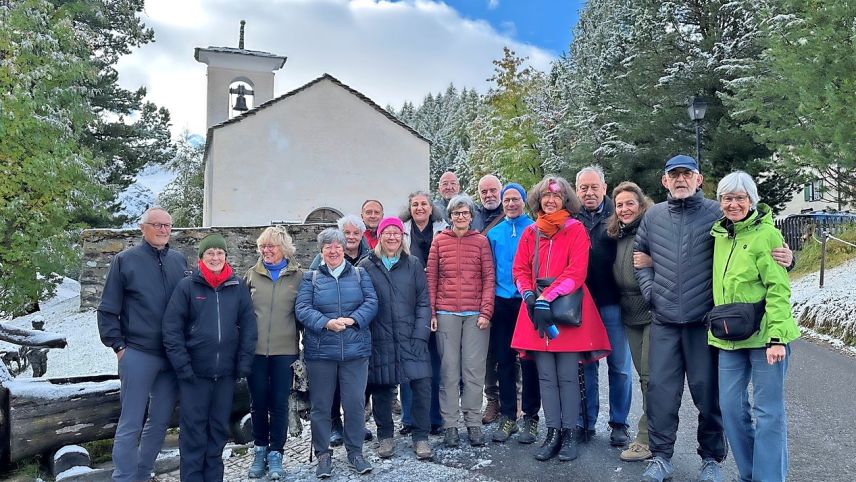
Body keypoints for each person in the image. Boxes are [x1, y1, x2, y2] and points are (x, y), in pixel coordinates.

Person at [635, 155, 793, 482]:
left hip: (705, 323)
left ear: (698, 179)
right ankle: (662, 457)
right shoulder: (653, 216)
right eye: (673, 175)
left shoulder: (715, 214)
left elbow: (758, 236)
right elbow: (641, 259)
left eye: (686, 174)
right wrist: (652, 293)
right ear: (665, 181)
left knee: (710, 395)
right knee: (660, 392)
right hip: (664, 321)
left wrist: (788, 259)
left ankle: (711, 458)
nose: (680, 180)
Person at [510, 175, 611, 462]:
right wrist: (529, 295)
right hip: (536, 310)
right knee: (545, 376)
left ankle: (569, 433)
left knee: (567, 376)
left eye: (556, 196)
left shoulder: (576, 229)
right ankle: (552, 431)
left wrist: (546, 297)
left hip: (566, 309)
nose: (550, 200)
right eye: (545, 196)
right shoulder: (531, 232)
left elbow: (576, 272)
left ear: (565, 200)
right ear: (539, 200)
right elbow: (520, 269)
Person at [710, 171, 800, 482]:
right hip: (728, 338)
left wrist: (776, 337)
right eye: (727, 198)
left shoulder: (766, 235)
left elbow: (778, 289)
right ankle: (751, 474)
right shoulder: (719, 235)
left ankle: (769, 478)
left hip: (766, 338)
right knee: (731, 408)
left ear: (751, 200)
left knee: (768, 412)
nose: (733, 204)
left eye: (739, 198)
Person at [97, 206, 188, 482]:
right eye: (157, 225)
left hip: (170, 355)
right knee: (130, 423)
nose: (163, 230)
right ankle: (123, 478)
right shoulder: (125, 261)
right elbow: (107, 309)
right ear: (143, 228)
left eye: (167, 225)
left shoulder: (179, 261)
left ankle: (143, 473)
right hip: (137, 353)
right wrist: (118, 347)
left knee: (159, 422)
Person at [162, 234, 257, 482]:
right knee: (193, 434)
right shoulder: (188, 287)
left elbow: (248, 326)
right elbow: (172, 329)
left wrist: (243, 362)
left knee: (217, 432)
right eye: (210, 253)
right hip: (194, 375)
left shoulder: (236, 286)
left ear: (226, 257)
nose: (215, 257)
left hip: (225, 374)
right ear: (201, 257)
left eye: (220, 253)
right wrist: (182, 366)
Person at [296, 228, 378, 478]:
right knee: (321, 406)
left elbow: (371, 302)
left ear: (344, 249)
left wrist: (353, 320)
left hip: (355, 351)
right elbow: (302, 308)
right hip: (321, 353)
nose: (333, 250)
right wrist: (326, 323)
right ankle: (323, 454)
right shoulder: (310, 278)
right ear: (321, 251)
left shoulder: (360, 274)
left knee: (354, 404)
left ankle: (355, 452)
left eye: (337, 246)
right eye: (328, 247)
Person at [358, 217, 434, 460]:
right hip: (380, 337)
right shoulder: (366, 266)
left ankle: (421, 437)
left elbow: (424, 301)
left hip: (412, 336)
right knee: (382, 389)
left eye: (396, 233)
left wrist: (422, 333)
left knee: (421, 386)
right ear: (379, 236)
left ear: (403, 237)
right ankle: (386, 436)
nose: (392, 237)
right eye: (387, 233)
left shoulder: (413, 264)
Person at [426, 194, 495, 447]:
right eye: (456, 213)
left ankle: (473, 422)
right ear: (450, 216)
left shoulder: (481, 242)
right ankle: (450, 425)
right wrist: (432, 313)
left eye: (465, 212)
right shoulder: (439, 241)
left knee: (474, 371)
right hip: (446, 313)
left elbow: (489, 278)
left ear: (471, 215)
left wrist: (486, 311)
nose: (461, 217)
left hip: (475, 314)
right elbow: (431, 279)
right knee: (449, 372)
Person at [573, 166, 634, 446]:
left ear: (604, 187)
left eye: (593, 187)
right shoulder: (571, 217)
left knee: (619, 366)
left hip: (613, 302)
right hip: (582, 304)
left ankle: (619, 423)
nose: (588, 192)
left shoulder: (619, 213)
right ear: (576, 190)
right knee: (586, 365)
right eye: (583, 187)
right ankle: (586, 421)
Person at [243, 226, 303, 479]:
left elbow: (303, 315)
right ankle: (259, 449)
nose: (266, 251)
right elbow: (242, 315)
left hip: (285, 351)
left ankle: (276, 453)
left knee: (279, 404)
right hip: (255, 353)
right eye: (263, 247)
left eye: (272, 246)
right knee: (258, 404)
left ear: (284, 249)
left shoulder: (299, 277)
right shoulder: (251, 276)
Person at [486, 183, 542, 444]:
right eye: (506, 199)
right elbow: (491, 270)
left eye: (515, 199)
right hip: (502, 302)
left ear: (523, 201)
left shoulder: (534, 229)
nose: (510, 204)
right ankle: (508, 415)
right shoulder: (494, 234)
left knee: (529, 360)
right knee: (505, 361)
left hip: (527, 301)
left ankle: (531, 416)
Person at [606, 182, 654, 462]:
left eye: (630, 204)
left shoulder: (653, 230)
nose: (624, 209)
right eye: (620, 205)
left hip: (652, 312)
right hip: (628, 313)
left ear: (641, 204)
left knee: (650, 377)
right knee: (643, 376)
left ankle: (647, 438)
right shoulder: (616, 233)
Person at [399, 191, 447, 436]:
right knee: (409, 362)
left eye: (424, 204)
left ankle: (435, 417)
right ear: (410, 208)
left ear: (431, 207)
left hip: (438, 302)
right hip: (408, 304)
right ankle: (409, 419)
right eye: (415, 204)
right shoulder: (400, 231)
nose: (419, 208)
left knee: (434, 364)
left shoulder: (444, 228)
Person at [470, 174, 504, 423]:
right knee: (488, 352)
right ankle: (492, 399)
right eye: (484, 192)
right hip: (481, 293)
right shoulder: (474, 218)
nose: (489, 195)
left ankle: (515, 400)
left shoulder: (514, 211)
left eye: (493, 190)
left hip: (509, 292)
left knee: (512, 351)